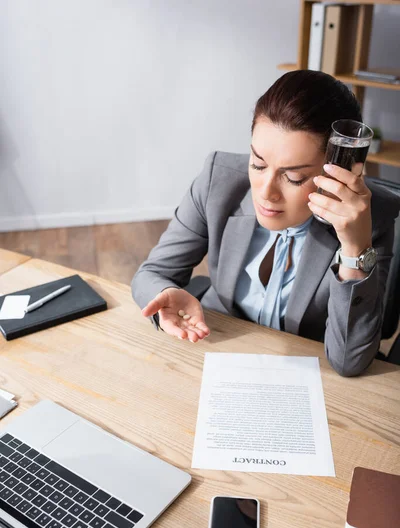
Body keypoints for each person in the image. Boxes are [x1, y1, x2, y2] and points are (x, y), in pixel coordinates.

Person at [131, 70, 399, 377]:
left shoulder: (370, 219)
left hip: (306, 373)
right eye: (258, 164)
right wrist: (165, 294)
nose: (266, 192)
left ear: (336, 173)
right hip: (215, 346)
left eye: (294, 177)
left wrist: (354, 249)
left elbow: (350, 361)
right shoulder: (218, 180)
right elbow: (152, 273)